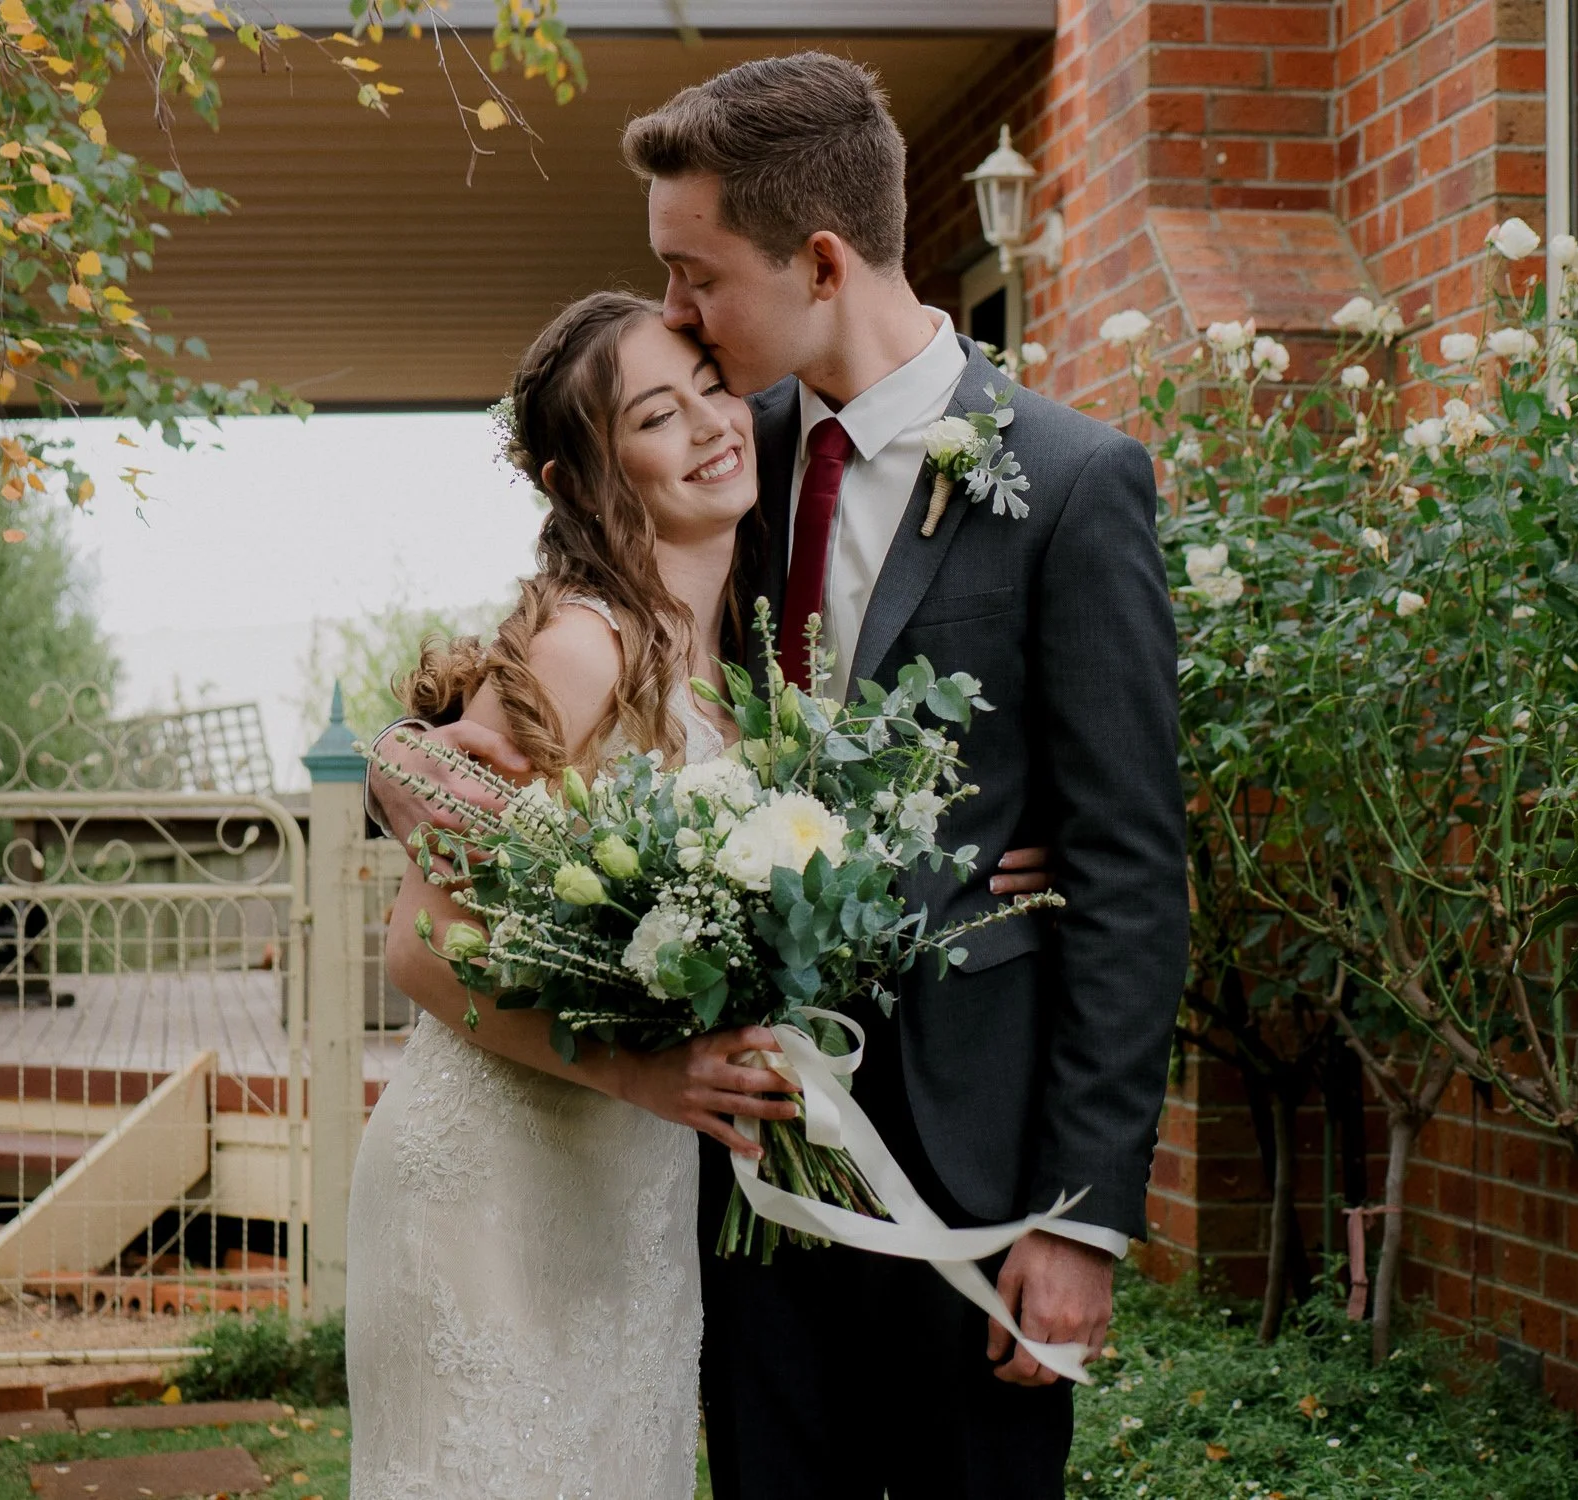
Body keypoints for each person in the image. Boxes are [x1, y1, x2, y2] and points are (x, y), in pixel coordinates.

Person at [369, 52, 1187, 1500]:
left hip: (971, 1189)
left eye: (693, 276)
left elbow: (1129, 873)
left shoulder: (1068, 482)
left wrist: (1080, 1216)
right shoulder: (718, 453)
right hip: (730, 1189)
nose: (674, 317)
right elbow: (560, 682)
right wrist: (414, 769)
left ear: (817, 260)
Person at [345, 290, 803, 1500]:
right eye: (660, 414)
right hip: (496, 1175)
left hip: (628, 1193)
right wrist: (639, 1074)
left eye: (712, 384)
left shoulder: (731, 661)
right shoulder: (581, 647)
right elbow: (420, 945)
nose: (714, 423)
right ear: (585, 479)